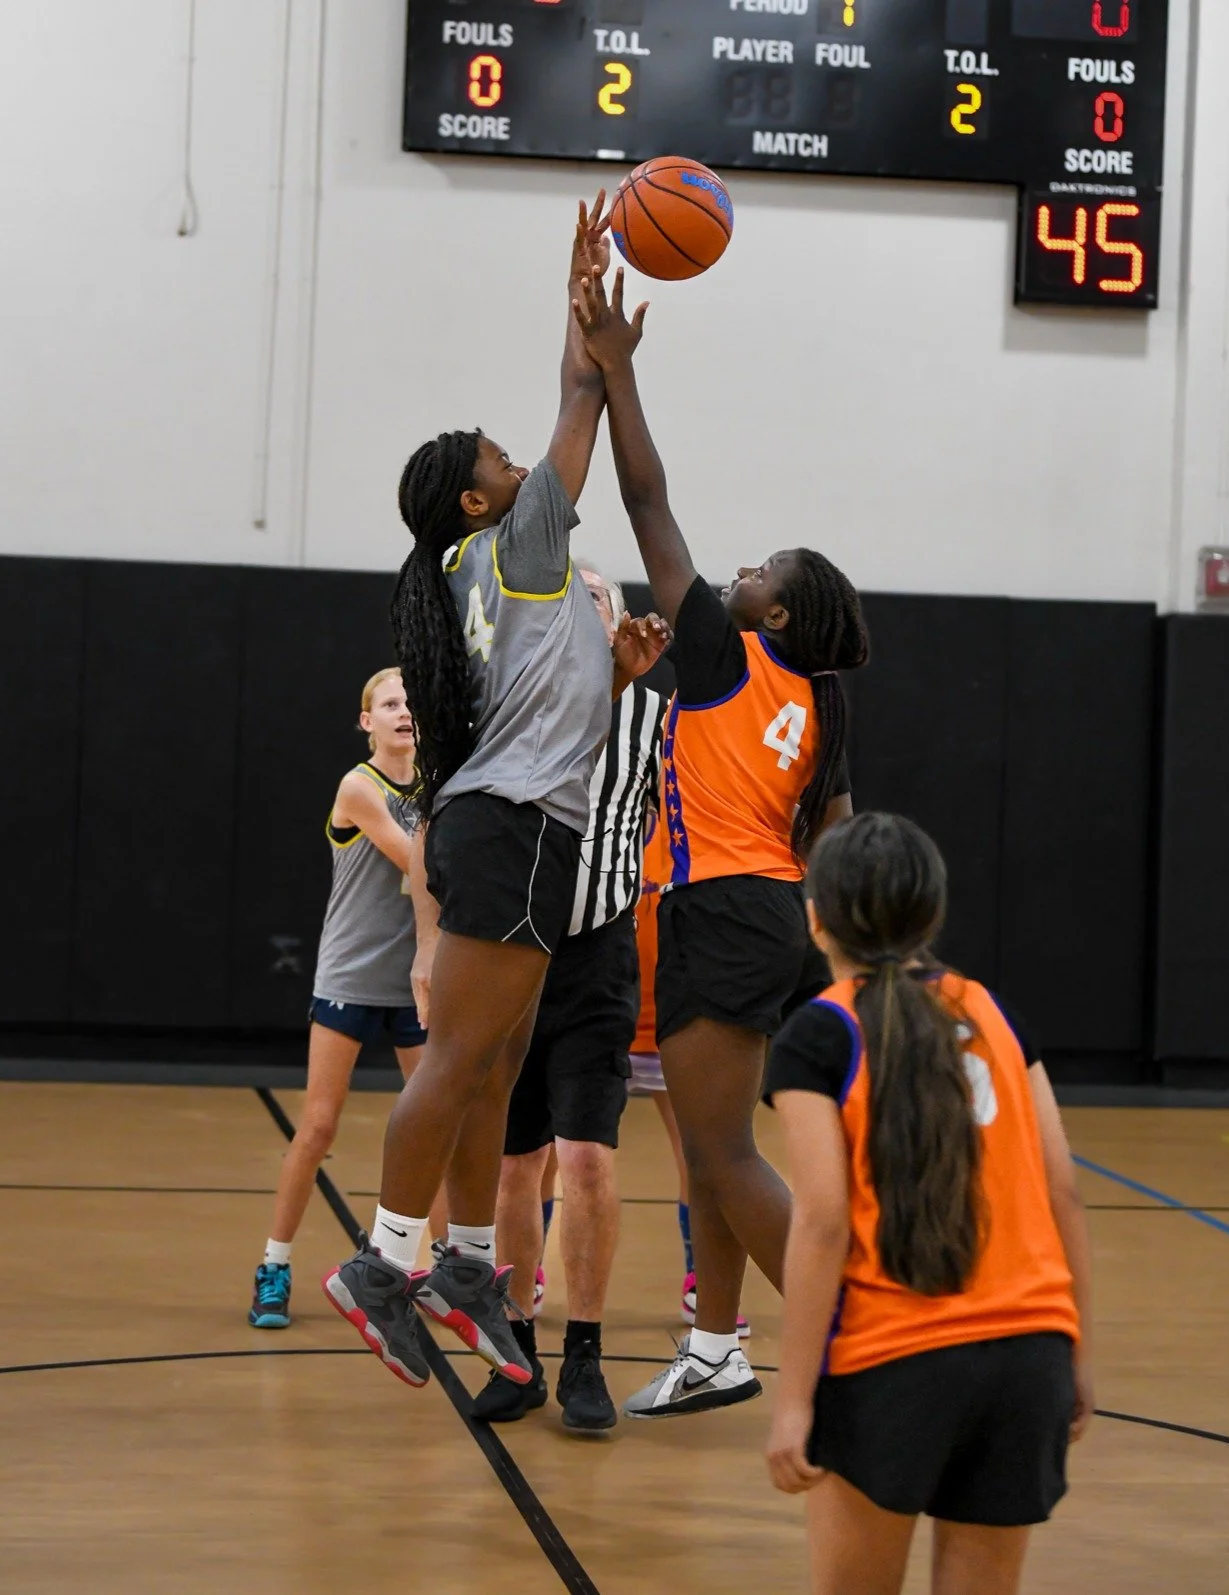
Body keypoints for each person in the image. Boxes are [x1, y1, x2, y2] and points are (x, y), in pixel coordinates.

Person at [322, 199, 669, 1389]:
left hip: (526, 828)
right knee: (460, 1056)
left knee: (494, 1058)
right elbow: (577, 411)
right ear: (478, 502)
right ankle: (381, 1263)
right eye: (500, 466)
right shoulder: (518, 543)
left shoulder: (499, 565)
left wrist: (620, 680)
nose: (519, 467)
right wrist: (585, 328)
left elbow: (555, 705)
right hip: (509, 828)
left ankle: (469, 1260)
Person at [570, 266, 869, 1417]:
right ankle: (713, 1347)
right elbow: (833, 838)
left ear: (774, 613)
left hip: (720, 909)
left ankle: (857, 1332)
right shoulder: (823, 700)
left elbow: (648, 498)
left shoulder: (723, 652)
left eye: (758, 574)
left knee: (724, 1158)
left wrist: (619, 373)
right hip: (782, 917)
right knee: (708, 1152)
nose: (737, 571)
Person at [763, 813, 1093, 1595]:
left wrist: (793, 1400)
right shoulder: (994, 1014)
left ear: (816, 915)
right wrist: (1075, 1351)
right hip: (1029, 1358)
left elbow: (821, 1223)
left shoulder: (821, 1033)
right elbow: (1064, 1191)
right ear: (932, 914)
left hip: (893, 1365)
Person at [483, 564, 666, 1430]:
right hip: (517, 957)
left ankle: (583, 1352)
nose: (577, 608)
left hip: (599, 957)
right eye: (563, 598)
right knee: (517, 1165)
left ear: (618, 616)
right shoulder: (516, 704)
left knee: (587, 1157)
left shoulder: (656, 719)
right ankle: (515, 1348)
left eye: (591, 595)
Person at [248, 668, 442, 1327]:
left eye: (411, 703)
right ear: (367, 721)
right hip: (351, 975)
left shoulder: (438, 782)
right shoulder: (359, 788)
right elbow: (419, 862)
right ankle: (273, 1264)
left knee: (432, 1126)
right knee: (320, 1123)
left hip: (415, 981)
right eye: (389, 703)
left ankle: (442, 1271)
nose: (403, 712)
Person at [627, 813, 751, 1337]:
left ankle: (702, 1280)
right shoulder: (604, 822)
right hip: (605, 1018)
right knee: (557, 1156)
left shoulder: (694, 827)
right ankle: (527, 1269)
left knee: (698, 1155)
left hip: (673, 1022)